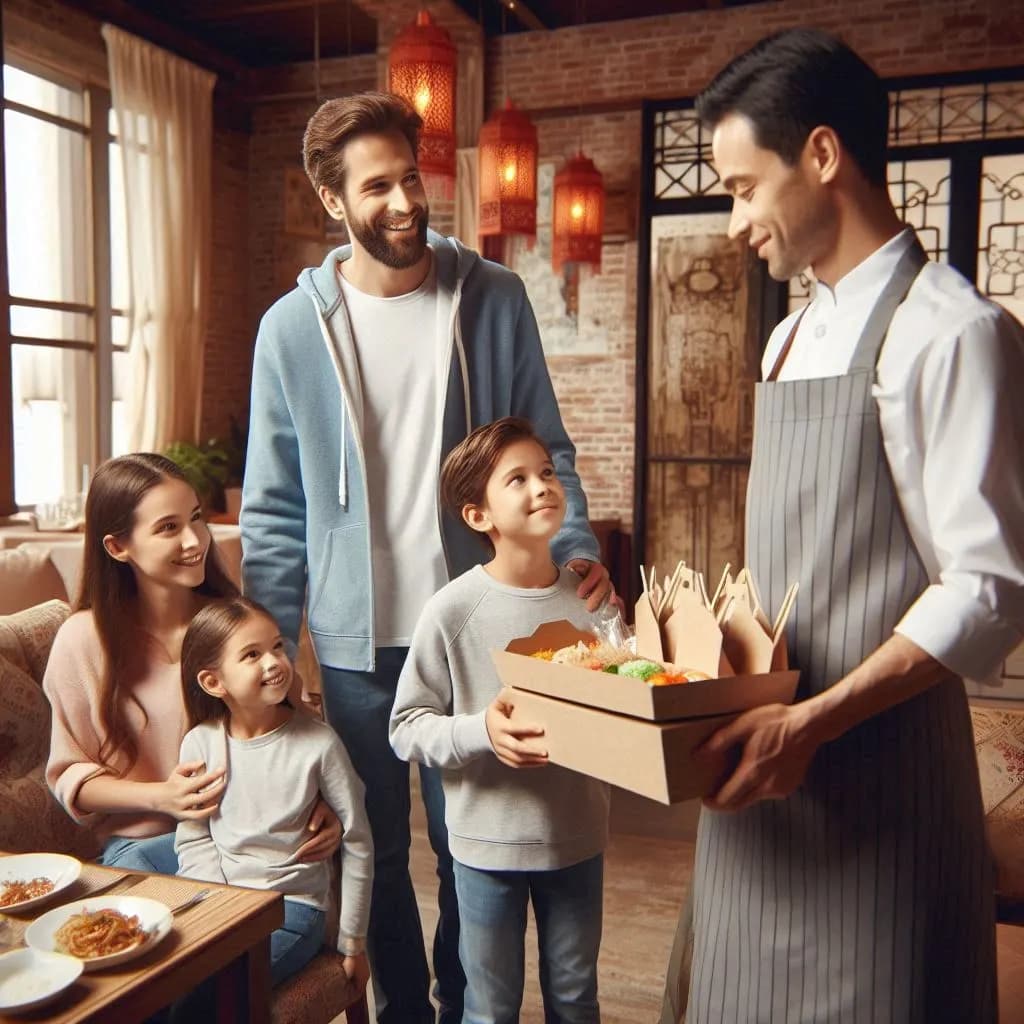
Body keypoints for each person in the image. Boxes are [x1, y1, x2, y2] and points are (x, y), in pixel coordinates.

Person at [668, 28, 1024, 1023]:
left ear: (821, 156)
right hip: (758, 780)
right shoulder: (788, 335)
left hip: (880, 785)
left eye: (742, 187)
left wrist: (814, 722)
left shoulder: (952, 333)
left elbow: (987, 587)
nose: (735, 221)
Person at [241, 91, 612, 1023]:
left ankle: (460, 1010)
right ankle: (409, 1012)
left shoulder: (492, 296)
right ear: (334, 201)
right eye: (378, 187)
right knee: (374, 852)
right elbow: (276, 504)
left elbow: (547, 446)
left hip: (474, 626)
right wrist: (271, 642)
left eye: (413, 177)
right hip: (354, 641)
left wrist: (571, 554)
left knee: (467, 847)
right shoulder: (290, 330)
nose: (405, 202)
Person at [390, 417, 610, 1024]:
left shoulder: (592, 600)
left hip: (578, 836)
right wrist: (482, 731)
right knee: (489, 1008)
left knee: (575, 999)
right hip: (485, 848)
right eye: (517, 478)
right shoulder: (451, 610)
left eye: (546, 472)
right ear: (478, 516)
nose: (541, 485)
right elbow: (406, 725)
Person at [43, 453, 340, 874]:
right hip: (144, 849)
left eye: (196, 518)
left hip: (254, 840)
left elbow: (297, 727)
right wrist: (161, 797)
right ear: (117, 546)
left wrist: (323, 802)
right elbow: (71, 775)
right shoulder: (83, 639)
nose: (195, 541)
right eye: (168, 528)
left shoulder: (236, 624)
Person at [175, 597, 373, 991]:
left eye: (277, 646)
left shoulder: (319, 744)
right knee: (170, 985)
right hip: (227, 904)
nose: (274, 662)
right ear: (213, 682)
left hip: (295, 910)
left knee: (218, 994)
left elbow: (358, 841)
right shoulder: (200, 743)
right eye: (252, 654)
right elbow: (194, 837)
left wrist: (353, 942)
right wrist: (218, 909)